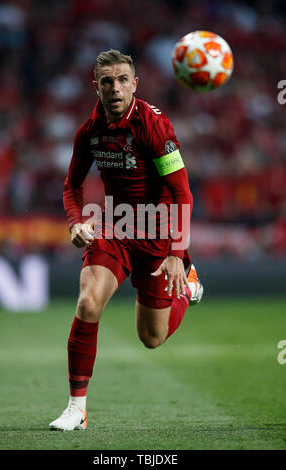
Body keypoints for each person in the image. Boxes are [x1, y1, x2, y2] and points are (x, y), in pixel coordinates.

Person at [49, 49, 203, 431]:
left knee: (151, 338)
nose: (114, 88)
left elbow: (183, 193)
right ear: (96, 87)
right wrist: (75, 223)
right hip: (115, 228)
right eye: (106, 81)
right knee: (88, 302)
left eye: (122, 81)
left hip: (157, 235)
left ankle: (189, 284)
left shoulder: (155, 126)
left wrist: (176, 253)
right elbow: (72, 184)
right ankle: (76, 409)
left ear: (134, 84)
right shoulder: (90, 131)